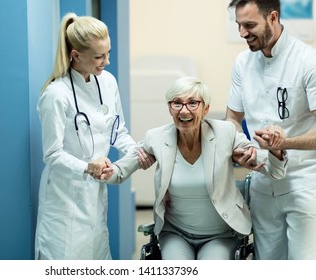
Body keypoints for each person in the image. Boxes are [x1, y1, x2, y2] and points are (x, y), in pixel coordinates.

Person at [94, 76, 288, 260]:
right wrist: (103, 168)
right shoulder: (156, 138)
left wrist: (275, 150)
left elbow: (275, 170)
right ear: (169, 108)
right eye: (176, 103)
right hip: (176, 234)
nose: (184, 111)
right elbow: (118, 173)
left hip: (220, 235)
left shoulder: (225, 133)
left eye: (193, 103)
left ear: (206, 109)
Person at [34, 12, 154, 260]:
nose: (107, 61)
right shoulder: (56, 95)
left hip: (96, 193)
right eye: (99, 56)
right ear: (76, 55)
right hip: (64, 197)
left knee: (97, 257)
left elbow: (117, 131)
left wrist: (137, 152)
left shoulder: (107, 82)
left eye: (108, 53)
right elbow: (52, 154)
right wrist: (88, 166)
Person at [226, 0, 316, 259]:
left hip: (304, 182)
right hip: (261, 184)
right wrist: (241, 146)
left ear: (273, 17)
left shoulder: (307, 60)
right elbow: (233, 116)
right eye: (239, 25)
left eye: (250, 25)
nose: (243, 33)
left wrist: (283, 143)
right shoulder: (243, 62)